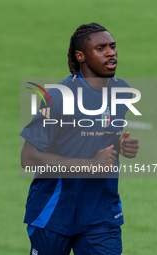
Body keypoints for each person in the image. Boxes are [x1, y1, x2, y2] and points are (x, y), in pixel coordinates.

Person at [20, 23, 139, 255]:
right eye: (101, 48)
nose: (110, 52)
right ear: (81, 56)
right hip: (54, 211)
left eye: (112, 47)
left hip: (101, 212)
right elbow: (29, 157)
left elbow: (103, 136)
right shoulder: (58, 98)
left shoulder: (122, 92)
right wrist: (90, 164)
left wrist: (122, 146)